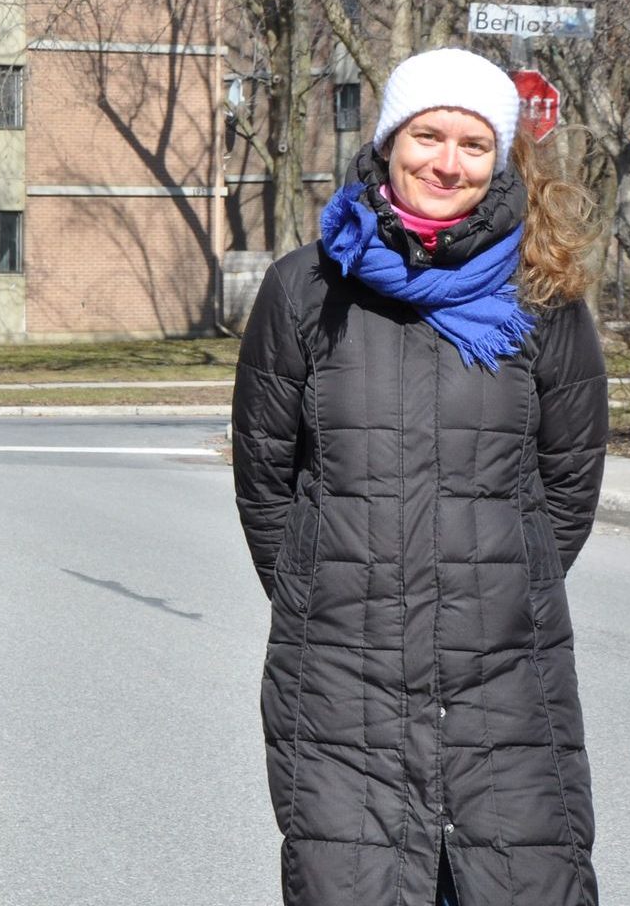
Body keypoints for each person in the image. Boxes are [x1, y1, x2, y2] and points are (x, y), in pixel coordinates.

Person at [233, 48, 609, 906]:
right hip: (338, 675)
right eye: (428, 134)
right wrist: (328, 589)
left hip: (508, 675)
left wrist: (493, 589)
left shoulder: (541, 295)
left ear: (502, 157)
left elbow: (568, 483)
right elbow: (266, 481)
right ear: (387, 142)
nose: (447, 162)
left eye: (474, 144)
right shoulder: (305, 290)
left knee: (526, 880)